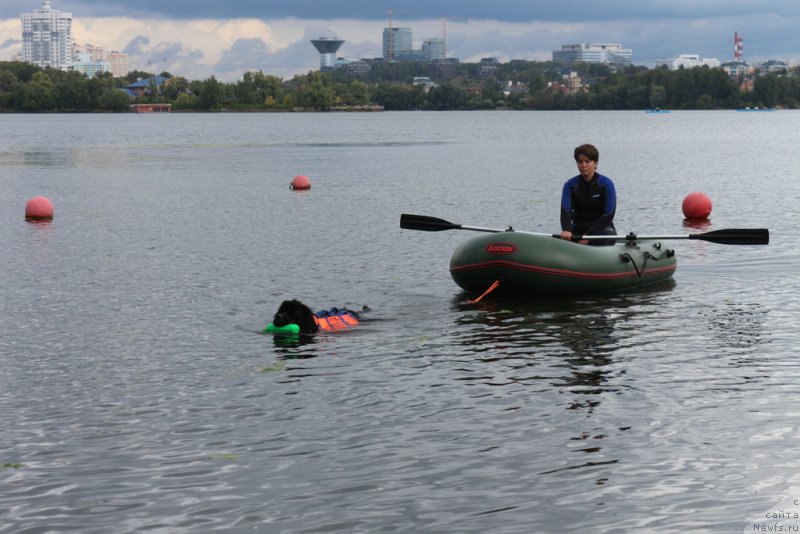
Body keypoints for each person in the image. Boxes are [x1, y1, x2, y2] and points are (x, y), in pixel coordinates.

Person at [559, 144, 617, 245]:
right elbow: (565, 211)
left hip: (602, 230)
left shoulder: (607, 184)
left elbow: (609, 215)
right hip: (578, 228)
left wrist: (588, 236)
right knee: (564, 237)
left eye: (587, 161)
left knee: (605, 237)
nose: (583, 165)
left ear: (595, 163)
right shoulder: (570, 185)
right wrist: (566, 230)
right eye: (580, 162)